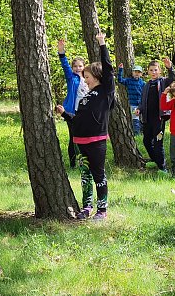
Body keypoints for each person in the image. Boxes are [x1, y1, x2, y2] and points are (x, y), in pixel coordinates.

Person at [56, 32, 114, 220]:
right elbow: (78, 120)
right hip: (80, 141)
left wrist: (102, 43)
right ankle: (87, 206)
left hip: (96, 141)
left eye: (87, 76)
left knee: (98, 175)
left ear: (97, 76)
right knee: (85, 176)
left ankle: (102, 210)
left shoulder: (105, 92)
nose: (85, 79)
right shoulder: (84, 98)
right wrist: (65, 114)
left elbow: (108, 68)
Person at [136, 58, 175, 173]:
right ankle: (155, 160)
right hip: (147, 119)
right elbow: (143, 101)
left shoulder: (163, 82)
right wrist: (139, 109)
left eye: (155, 70)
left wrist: (170, 68)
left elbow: (172, 79)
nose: (153, 72)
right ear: (148, 72)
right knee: (146, 141)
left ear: (160, 71)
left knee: (158, 143)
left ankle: (162, 167)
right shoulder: (146, 85)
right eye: (151, 70)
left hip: (159, 118)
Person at [57, 39, 88, 169]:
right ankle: (73, 164)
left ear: (84, 66)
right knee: (73, 137)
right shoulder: (71, 77)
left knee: (83, 138)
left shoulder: (88, 78)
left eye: (80, 66)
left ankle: (84, 162)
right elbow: (64, 64)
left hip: (84, 112)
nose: (77, 68)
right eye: (75, 66)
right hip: (71, 111)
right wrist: (61, 50)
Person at [117, 63, 145, 135]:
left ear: (141, 74)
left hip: (141, 104)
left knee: (142, 119)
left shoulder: (142, 83)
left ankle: (142, 132)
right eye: (135, 71)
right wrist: (120, 70)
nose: (137, 73)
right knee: (135, 119)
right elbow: (120, 80)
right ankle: (137, 134)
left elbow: (145, 93)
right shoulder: (129, 81)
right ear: (132, 72)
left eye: (138, 72)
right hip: (133, 104)